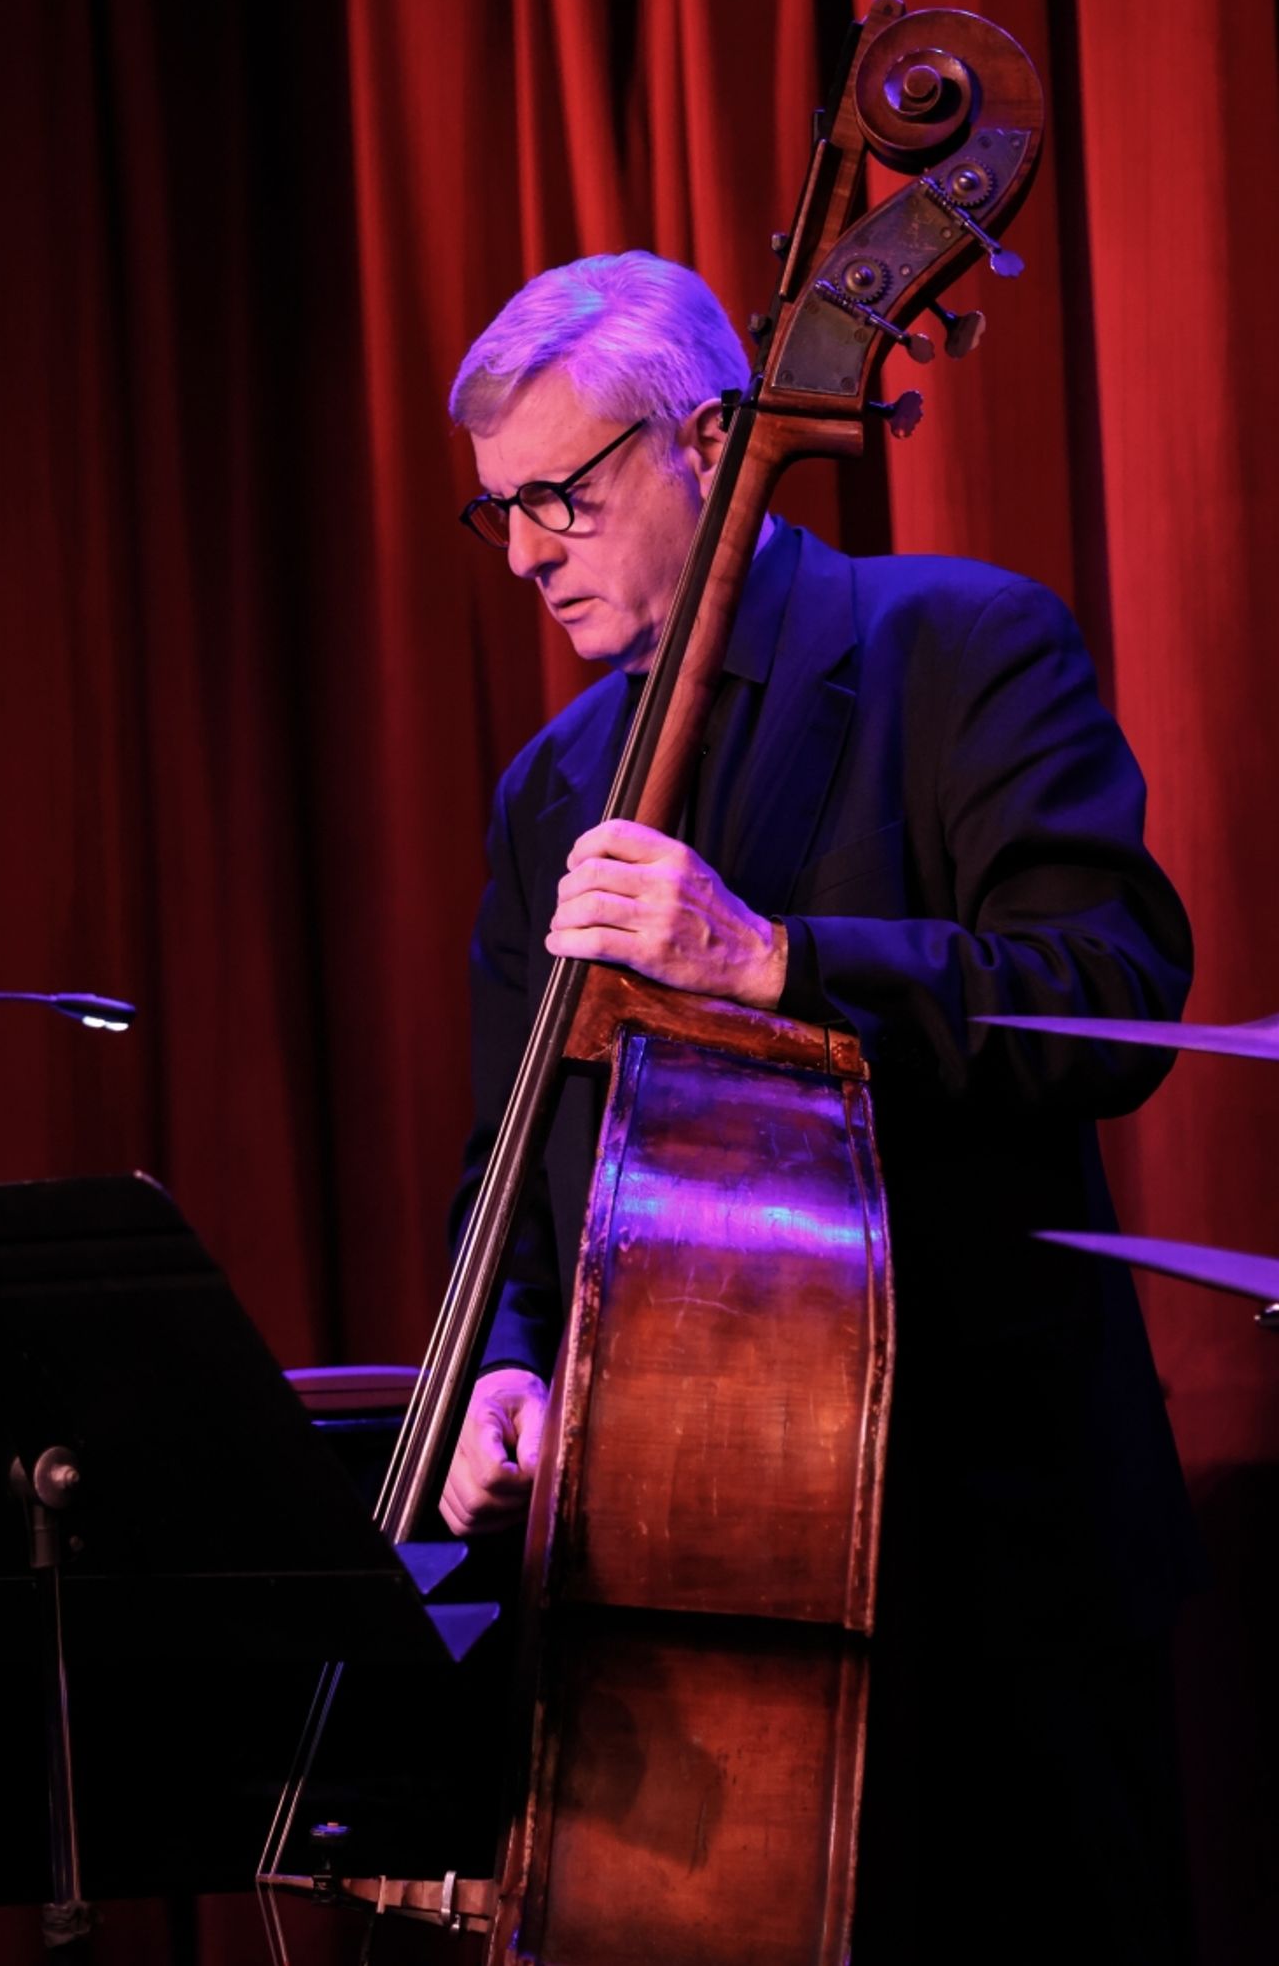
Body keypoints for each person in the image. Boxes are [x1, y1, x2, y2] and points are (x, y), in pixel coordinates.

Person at [439, 250, 1198, 1962]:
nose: (523, 552)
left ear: (708, 439)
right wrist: (505, 1361)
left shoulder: (957, 647)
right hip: (675, 1591)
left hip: (992, 1563)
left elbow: (1114, 990)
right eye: (494, 511)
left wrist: (774, 959)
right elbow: (515, 1160)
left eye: (560, 494)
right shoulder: (552, 786)